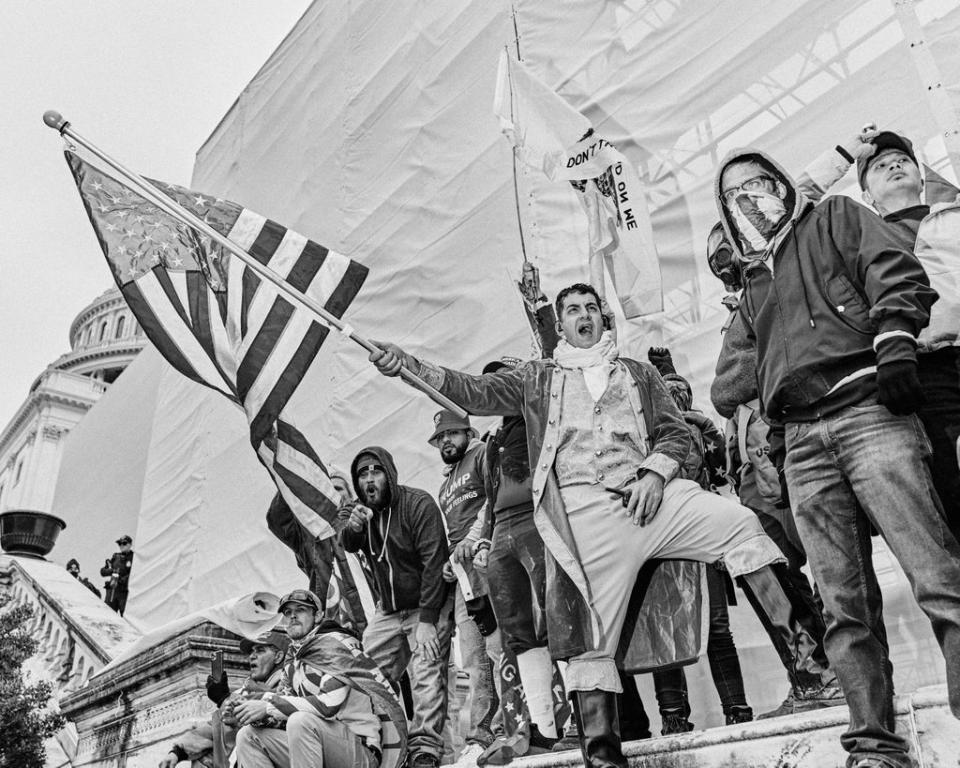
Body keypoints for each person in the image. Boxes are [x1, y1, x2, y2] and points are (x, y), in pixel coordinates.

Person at [367, 283, 813, 768]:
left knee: (742, 526)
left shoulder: (639, 373)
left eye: (591, 308)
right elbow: (471, 391)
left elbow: (675, 432)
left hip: (651, 494)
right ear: (560, 326)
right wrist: (407, 366)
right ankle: (603, 759)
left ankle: (813, 673)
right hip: (583, 514)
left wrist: (655, 472)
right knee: (589, 647)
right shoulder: (536, 379)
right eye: (573, 310)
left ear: (604, 318)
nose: (584, 316)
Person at [716, 148, 960, 768]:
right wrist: (772, 380)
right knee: (842, 607)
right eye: (733, 194)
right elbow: (725, 386)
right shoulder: (753, 285)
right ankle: (875, 747)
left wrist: (894, 339)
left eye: (758, 183)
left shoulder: (835, 217)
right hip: (801, 442)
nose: (750, 198)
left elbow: (895, 271)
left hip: (868, 410)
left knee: (934, 572)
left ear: (782, 183)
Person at [708, 226, 842, 719]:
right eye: (716, 258)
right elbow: (724, 395)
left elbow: (738, 381)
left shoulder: (783, 289)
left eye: (728, 249)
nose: (723, 263)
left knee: (835, 566)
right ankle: (812, 675)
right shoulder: (739, 314)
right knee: (764, 565)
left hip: (799, 446)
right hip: (754, 474)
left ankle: (848, 673)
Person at [644, 366, 753, 731]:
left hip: (696, 537)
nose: (677, 399)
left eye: (681, 392)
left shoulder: (699, 428)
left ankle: (733, 711)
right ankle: (677, 718)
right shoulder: (653, 429)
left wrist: (705, 431)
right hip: (665, 541)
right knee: (669, 633)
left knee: (712, 628)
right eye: (669, 392)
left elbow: (722, 472)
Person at [340, 447, 454, 768]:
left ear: (389, 474)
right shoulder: (364, 514)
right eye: (363, 474)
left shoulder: (418, 504)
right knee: (361, 674)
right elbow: (347, 543)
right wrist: (355, 528)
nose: (370, 479)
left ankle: (425, 750)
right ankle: (373, 744)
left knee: (426, 671)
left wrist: (429, 620)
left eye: (376, 471)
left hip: (426, 604)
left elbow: (435, 563)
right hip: (389, 611)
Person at [233, 589, 406, 768]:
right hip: (315, 745)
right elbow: (281, 713)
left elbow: (328, 705)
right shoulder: (294, 659)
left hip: (360, 750)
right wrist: (249, 713)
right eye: (287, 612)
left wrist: (267, 705)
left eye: (300, 610)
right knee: (248, 735)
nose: (292, 616)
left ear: (318, 615)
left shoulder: (337, 645)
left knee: (300, 720)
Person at [431, 410, 501, 766]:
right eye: (440, 437)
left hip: (487, 559)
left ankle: (502, 726)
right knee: (471, 656)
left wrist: (475, 539)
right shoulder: (444, 484)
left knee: (497, 648)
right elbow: (452, 531)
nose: (446, 441)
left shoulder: (482, 454)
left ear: (467, 433)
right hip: (461, 573)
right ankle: (479, 734)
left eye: (452, 434)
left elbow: (494, 497)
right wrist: (449, 561)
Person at [158, 631, 288, 768]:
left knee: (247, 734)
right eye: (251, 651)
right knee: (203, 759)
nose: (252, 656)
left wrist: (224, 699)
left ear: (278, 657)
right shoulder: (244, 692)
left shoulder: (291, 685)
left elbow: (266, 711)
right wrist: (177, 752)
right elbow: (213, 729)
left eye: (260, 650)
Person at [100, 535, 134, 616]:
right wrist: (112, 570)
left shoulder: (134, 558)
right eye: (120, 543)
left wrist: (122, 580)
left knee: (126, 617)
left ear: (130, 545)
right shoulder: (115, 556)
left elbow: (134, 574)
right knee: (108, 615)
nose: (121, 545)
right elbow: (103, 572)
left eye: (124, 543)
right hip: (112, 591)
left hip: (125, 593)